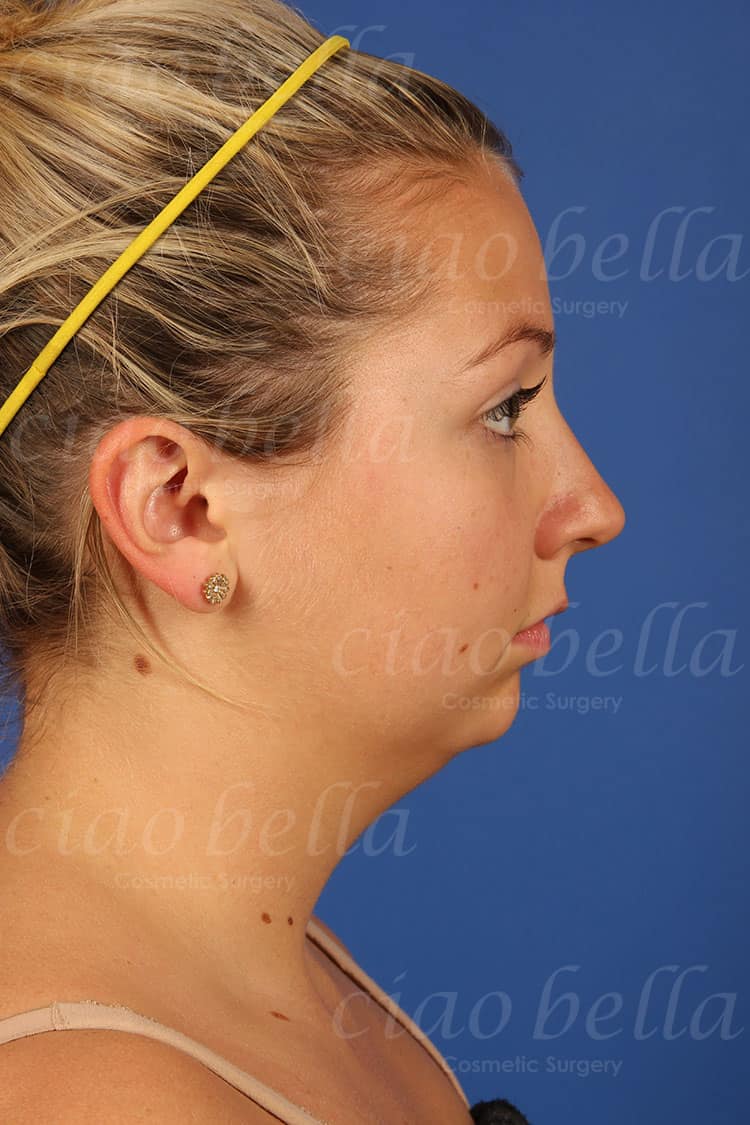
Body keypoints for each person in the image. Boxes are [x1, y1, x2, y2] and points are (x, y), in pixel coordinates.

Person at [0, 0, 626, 1121]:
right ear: (179, 507)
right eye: (504, 408)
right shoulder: (99, 1097)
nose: (593, 508)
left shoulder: (270, 974)